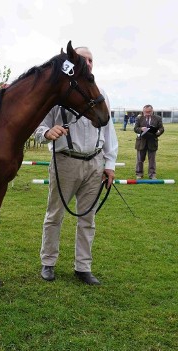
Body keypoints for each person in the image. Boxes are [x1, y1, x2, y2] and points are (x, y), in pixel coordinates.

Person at [34, 46, 118, 286]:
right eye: (83, 59)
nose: (88, 63)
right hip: (65, 161)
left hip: (94, 162)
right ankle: (48, 262)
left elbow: (109, 130)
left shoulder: (101, 93)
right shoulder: (57, 94)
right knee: (54, 215)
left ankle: (83, 267)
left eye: (91, 59)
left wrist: (109, 164)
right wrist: (48, 133)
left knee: (88, 219)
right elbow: (39, 126)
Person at [134, 104, 164, 179]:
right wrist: (141, 129)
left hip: (152, 141)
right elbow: (135, 128)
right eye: (146, 112)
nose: (147, 113)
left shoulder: (158, 118)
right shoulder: (139, 118)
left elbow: (161, 128)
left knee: (152, 160)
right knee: (140, 159)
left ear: (152, 111)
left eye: (149, 112)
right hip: (141, 142)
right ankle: (139, 174)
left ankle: (152, 175)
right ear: (143, 111)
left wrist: (158, 132)